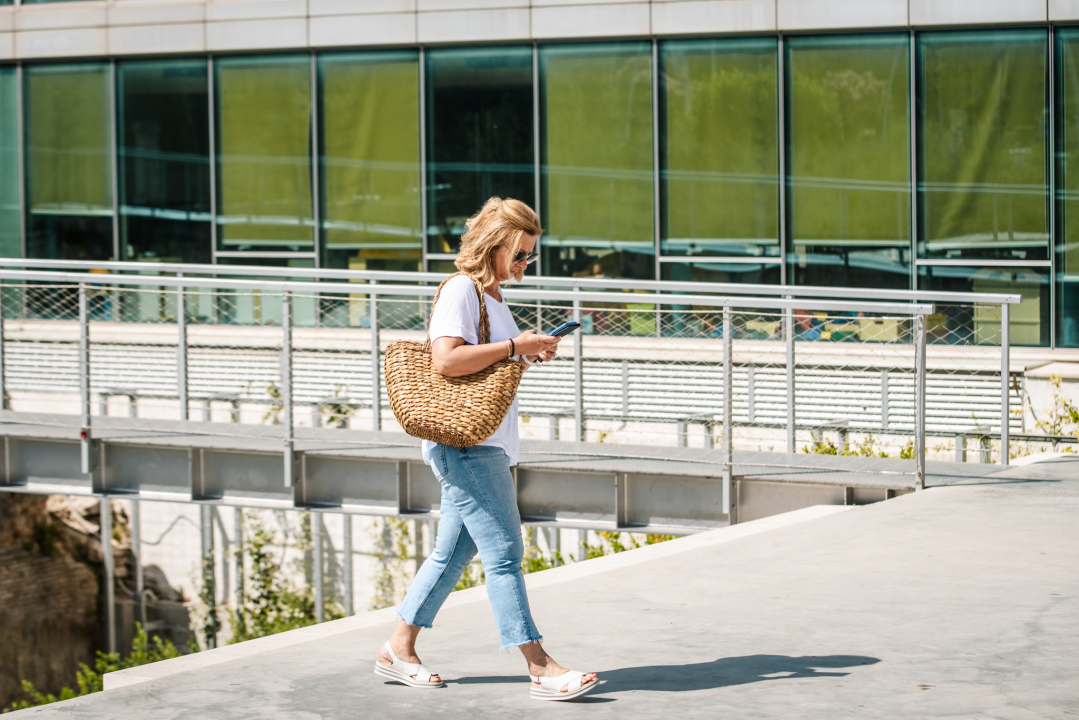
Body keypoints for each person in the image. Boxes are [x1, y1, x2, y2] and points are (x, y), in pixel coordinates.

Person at [375, 197, 600, 702]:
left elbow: (487, 363)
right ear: (493, 247)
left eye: (530, 256)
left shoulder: (494, 300)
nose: (525, 265)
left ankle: (397, 649)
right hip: (468, 444)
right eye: (519, 255)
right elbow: (447, 361)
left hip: (488, 442)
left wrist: (526, 350)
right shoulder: (461, 289)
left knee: (450, 555)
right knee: (504, 553)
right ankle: (540, 666)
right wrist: (516, 347)